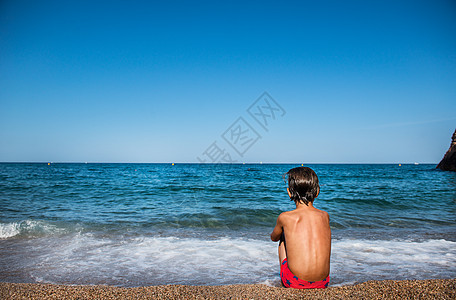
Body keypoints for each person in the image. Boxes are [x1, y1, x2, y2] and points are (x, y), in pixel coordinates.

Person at [270, 167, 331, 289]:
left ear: (289, 192)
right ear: (317, 192)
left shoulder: (285, 217)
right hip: (324, 282)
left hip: (295, 282)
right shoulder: (325, 216)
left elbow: (274, 238)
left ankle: (285, 279)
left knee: (282, 238)